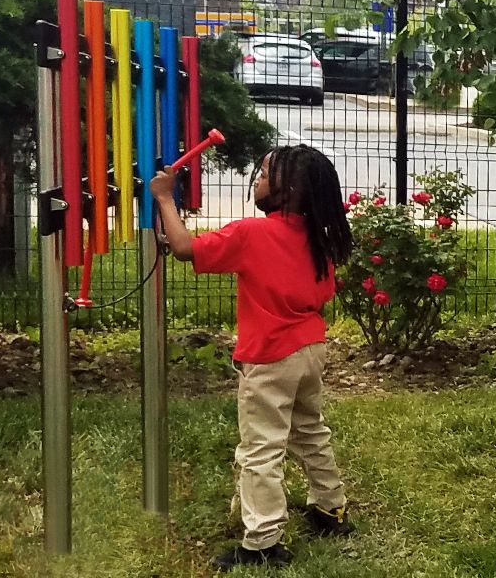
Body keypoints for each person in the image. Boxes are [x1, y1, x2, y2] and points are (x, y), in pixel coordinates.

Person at [149, 144, 355, 572]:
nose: (257, 180)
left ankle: (262, 542)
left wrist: (166, 198)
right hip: (311, 350)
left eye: (264, 174)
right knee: (310, 430)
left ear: (289, 189)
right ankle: (330, 509)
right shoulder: (319, 238)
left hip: (269, 359)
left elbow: (185, 248)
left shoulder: (251, 234)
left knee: (261, 448)